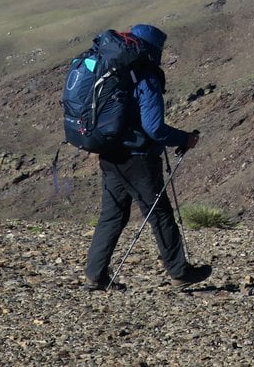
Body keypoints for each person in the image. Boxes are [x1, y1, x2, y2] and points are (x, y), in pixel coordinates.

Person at [83, 23, 212, 290]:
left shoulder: (115, 71)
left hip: (110, 152)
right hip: (138, 157)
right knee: (160, 213)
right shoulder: (147, 76)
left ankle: (95, 275)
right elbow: (154, 128)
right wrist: (185, 139)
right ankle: (179, 271)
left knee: (113, 214)